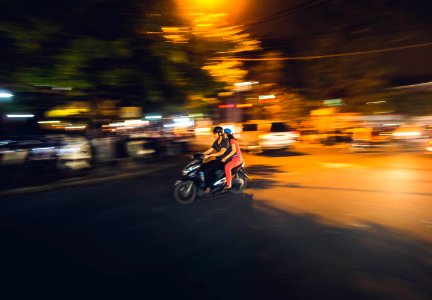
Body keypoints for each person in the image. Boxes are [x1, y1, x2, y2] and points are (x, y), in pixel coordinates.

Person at [201, 126, 230, 193]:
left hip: (223, 161)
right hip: (218, 160)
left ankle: (209, 187)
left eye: (214, 133)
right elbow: (210, 150)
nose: (213, 134)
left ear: (219, 133)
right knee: (203, 166)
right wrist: (201, 154)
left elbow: (221, 153)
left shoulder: (224, 141)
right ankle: (209, 181)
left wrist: (209, 155)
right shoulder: (216, 142)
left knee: (209, 170)